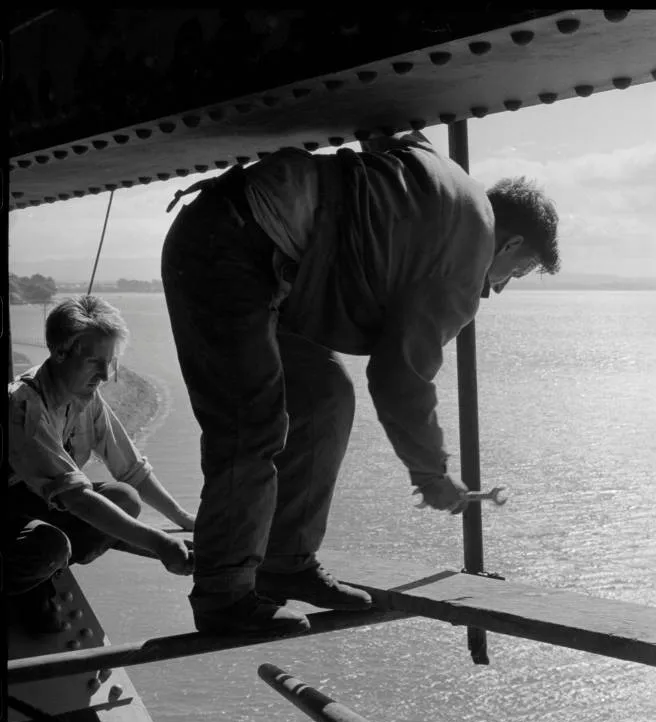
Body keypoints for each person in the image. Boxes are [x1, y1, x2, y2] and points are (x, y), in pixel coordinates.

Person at [161, 131, 559, 638]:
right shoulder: (467, 254)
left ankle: (285, 561)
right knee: (249, 426)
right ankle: (223, 596)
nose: (497, 287)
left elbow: (390, 139)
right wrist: (432, 477)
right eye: (517, 272)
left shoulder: (445, 179)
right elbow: (400, 379)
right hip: (231, 249)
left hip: (258, 256)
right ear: (512, 242)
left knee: (326, 394)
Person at [7, 294, 195, 633]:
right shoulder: (23, 407)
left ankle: (47, 569)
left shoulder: (85, 398)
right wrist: (159, 542)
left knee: (125, 498)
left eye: (111, 362)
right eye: (95, 362)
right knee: (48, 546)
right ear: (60, 352)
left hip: (38, 505)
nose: (106, 374)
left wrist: (182, 519)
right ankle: (21, 588)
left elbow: (132, 470)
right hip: (7, 514)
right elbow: (76, 498)